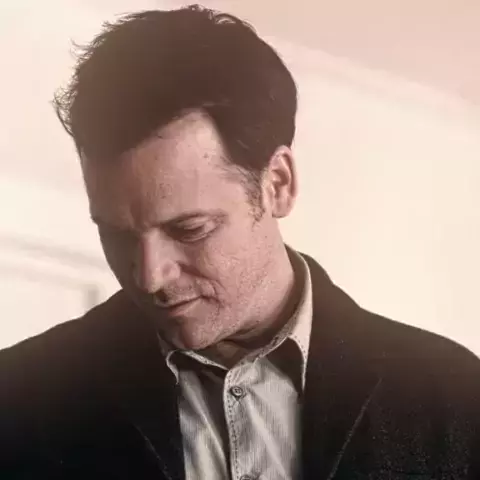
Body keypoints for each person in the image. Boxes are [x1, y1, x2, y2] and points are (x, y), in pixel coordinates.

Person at [1, 5, 479, 479]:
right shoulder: (18, 399)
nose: (149, 276)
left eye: (189, 229)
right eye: (116, 234)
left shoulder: (455, 398)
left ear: (278, 184)